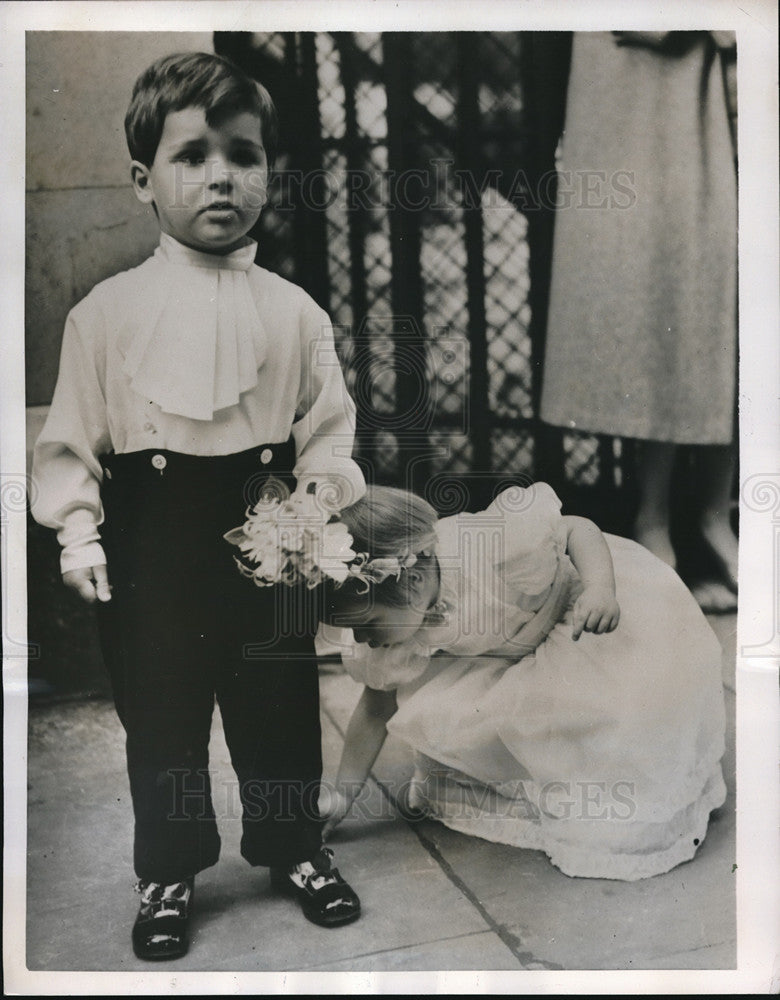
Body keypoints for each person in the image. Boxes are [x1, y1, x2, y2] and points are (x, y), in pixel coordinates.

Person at [31, 51, 365, 960]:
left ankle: (294, 846)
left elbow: (329, 432)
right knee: (163, 714)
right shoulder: (106, 314)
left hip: (269, 538)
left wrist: (316, 497)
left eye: (244, 154)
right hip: (153, 544)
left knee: (281, 702)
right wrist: (77, 531)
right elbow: (72, 439)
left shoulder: (295, 313)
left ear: (271, 171)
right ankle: (169, 868)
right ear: (144, 179)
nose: (221, 175)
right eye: (191, 156)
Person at [316, 483, 727, 881]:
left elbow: (576, 528)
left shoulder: (490, 547)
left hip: (577, 619)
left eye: (367, 625)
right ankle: (533, 783)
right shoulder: (398, 625)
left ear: (413, 583)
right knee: (490, 716)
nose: (362, 641)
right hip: (507, 653)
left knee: (615, 706)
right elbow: (374, 708)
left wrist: (600, 588)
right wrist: (343, 795)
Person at [539, 31, 739, 611]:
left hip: (725, 87)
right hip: (650, 103)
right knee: (668, 292)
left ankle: (711, 514)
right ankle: (657, 520)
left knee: (726, 294)